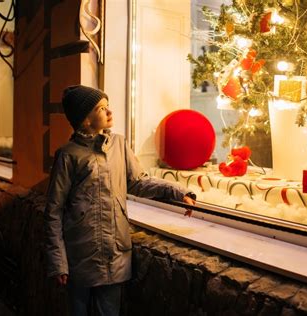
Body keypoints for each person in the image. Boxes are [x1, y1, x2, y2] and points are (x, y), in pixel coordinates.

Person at [44, 85, 196, 316]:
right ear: (85, 120)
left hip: (114, 253)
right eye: (102, 108)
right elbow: (53, 211)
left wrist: (177, 192)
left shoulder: (118, 144)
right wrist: (58, 262)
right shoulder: (68, 155)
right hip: (80, 254)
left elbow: (138, 182)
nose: (110, 112)